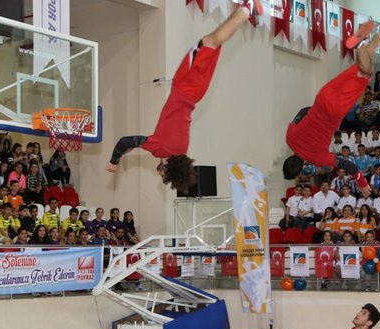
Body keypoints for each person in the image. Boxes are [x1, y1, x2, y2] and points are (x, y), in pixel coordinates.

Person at [105, 0, 264, 193]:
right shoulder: (160, 148)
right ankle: (248, 9)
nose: (160, 174)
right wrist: (115, 161)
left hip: (196, 94)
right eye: (163, 175)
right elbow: (124, 141)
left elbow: (137, 142)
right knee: (210, 41)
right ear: (167, 169)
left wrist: (133, 147)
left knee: (213, 42)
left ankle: (244, 9)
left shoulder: (179, 149)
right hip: (185, 87)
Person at [282, 11, 380, 197]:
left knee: (367, 71)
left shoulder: (317, 159)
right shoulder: (289, 137)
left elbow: (348, 165)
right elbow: (302, 111)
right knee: (361, 68)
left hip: (335, 111)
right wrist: (315, 110)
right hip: (321, 98)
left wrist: (363, 183)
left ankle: (360, 43)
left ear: (301, 171)